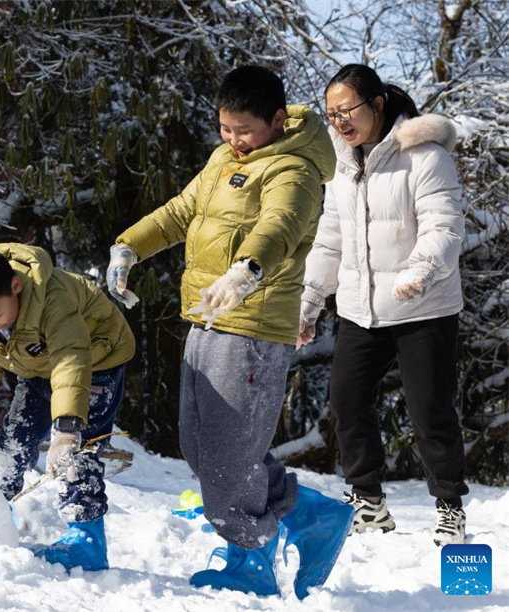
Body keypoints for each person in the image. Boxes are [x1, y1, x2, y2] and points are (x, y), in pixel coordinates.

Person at [107, 65, 353, 600]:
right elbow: (181, 212)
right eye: (225, 128)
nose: (233, 140)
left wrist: (247, 270)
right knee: (202, 445)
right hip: (208, 314)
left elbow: (280, 226)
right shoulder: (224, 160)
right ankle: (306, 512)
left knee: (225, 453)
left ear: (277, 120)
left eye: (244, 130)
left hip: (252, 323)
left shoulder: (294, 169)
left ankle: (251, 555)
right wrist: (130, 246)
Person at [298, 64, 468, 546]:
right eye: (332, 114)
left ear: (376, 104)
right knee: (347, 400)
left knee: (429, 410)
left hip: (424, 306)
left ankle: (450, 509)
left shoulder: (425, 156)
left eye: (347, 110)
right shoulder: (342, 164)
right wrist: (310, 300)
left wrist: (422, 269)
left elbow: (444, 226)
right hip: (361, 308)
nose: (340, 122)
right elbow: (330, 239)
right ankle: (368, 502)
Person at [0, 242, 135, 571]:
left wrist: (67, 430)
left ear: (15, 286)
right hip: (37, 366)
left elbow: (71, 360)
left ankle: (87, 540)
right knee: (13, 440)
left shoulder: (53, 297)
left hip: (95, 361)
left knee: (77, 452)